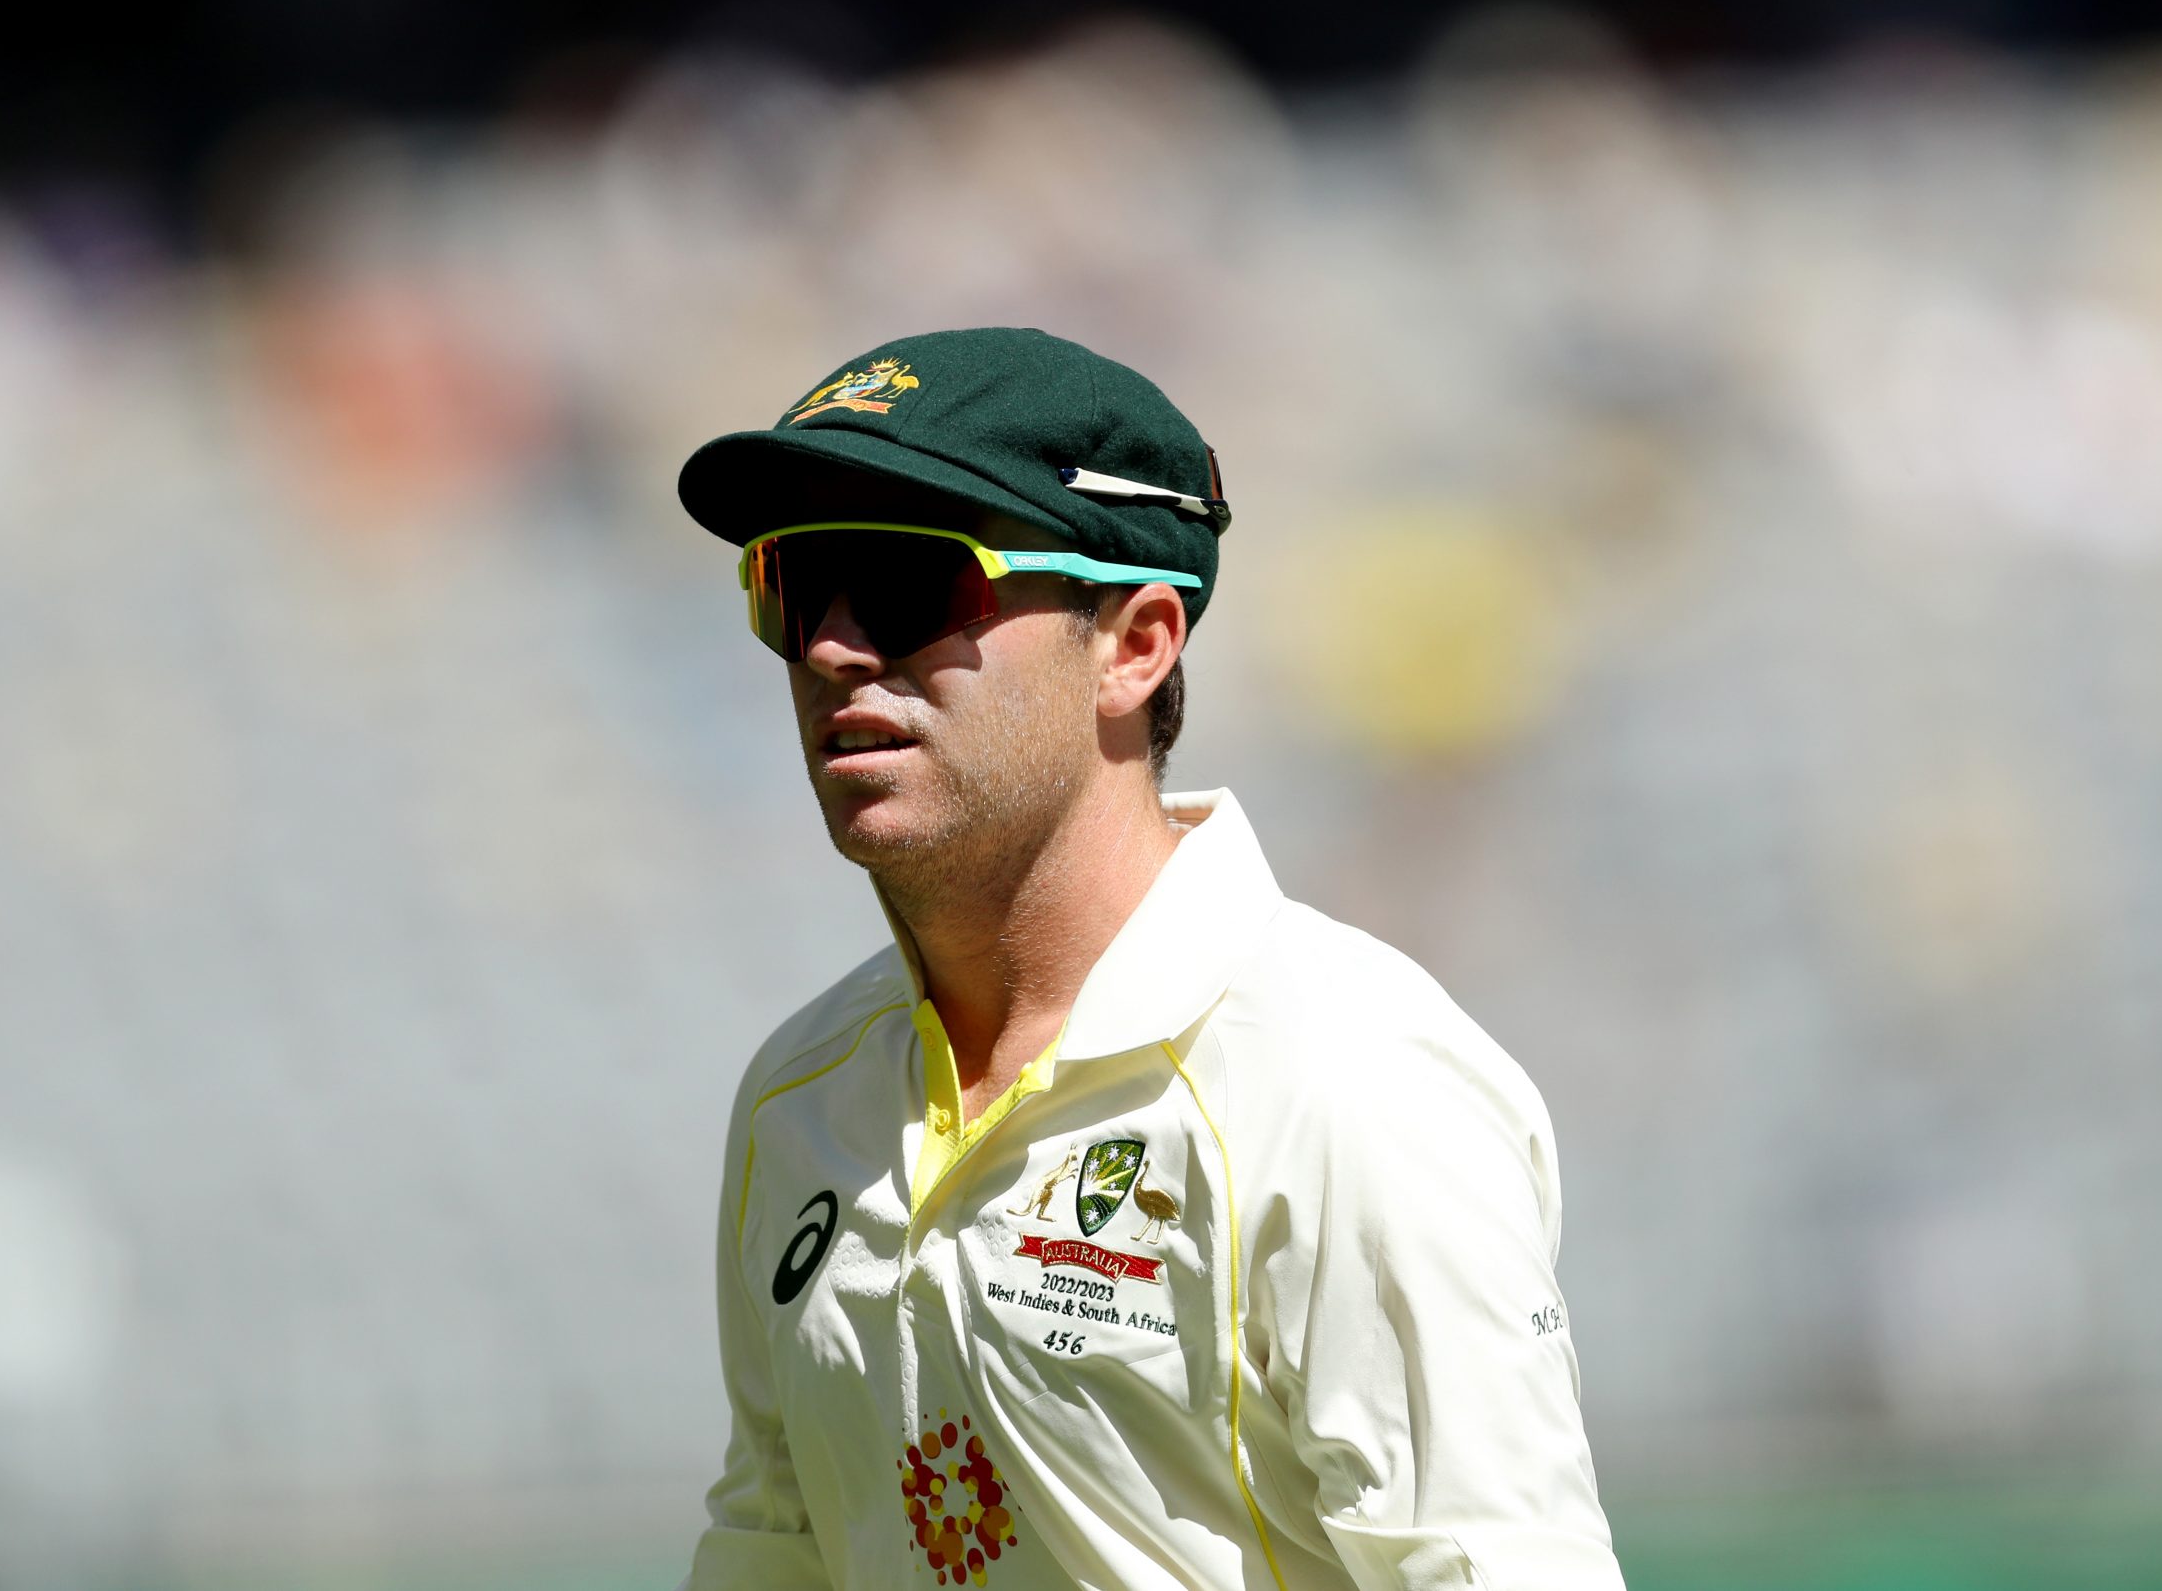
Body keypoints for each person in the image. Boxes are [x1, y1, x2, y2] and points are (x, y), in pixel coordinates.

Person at [674, 327, 1624, 1590]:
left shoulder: (1348, 1081)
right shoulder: (801, 1095)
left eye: (908, 584)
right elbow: (775, 1545)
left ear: (1136, 644)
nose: (837, 648)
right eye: (797, 586)